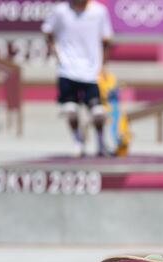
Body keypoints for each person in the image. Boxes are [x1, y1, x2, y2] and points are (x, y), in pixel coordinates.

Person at [42, 0, 113, 157]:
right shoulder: (60, 11)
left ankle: (100, 144)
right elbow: (47, 31)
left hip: (91, 72)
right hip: (67, 71)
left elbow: (107, 40)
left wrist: (103, 66)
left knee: (98, 113)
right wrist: (55, 52)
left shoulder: (99, 11)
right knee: (70, 110)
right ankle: (78, 142)